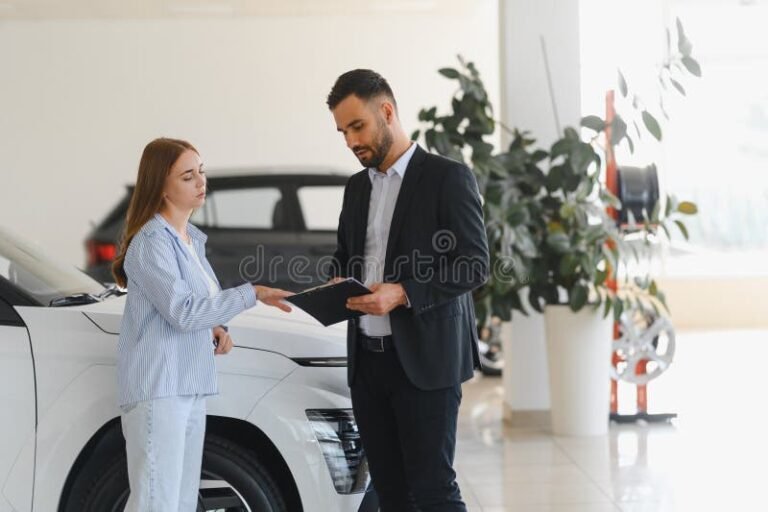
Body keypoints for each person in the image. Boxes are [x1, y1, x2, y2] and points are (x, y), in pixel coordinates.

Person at [326, 70, 490, 512]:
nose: (350, 141)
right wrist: (338, 281)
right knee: (389, 493)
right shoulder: (356, 187)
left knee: (433, 490)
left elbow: (475, 264)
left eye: (357, 126)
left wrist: (401, 293)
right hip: (368, 362)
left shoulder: (447, 178)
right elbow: (345, 256)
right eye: (343, 132)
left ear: (387, 112)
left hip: (427, 359)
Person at [112, 137, 292, 511]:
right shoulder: (150, 243)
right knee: (155, 503)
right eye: (188, 176)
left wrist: (217, 329)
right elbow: (182, 311)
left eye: (201, 172)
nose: (200, 182)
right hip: (160, 390)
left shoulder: (190, 240)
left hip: (189, 387)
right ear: (161, 186)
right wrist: (253, 293)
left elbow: (196, 309)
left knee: (177, 502)